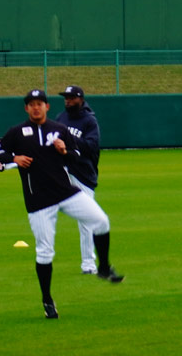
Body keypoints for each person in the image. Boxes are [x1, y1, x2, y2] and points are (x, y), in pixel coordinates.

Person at [0, 89, 123, 320]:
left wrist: (64, 150)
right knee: (45, 252)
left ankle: (103, 267)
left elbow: (75, 154)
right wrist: (14, 158)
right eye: (31, 104)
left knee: (101, 221)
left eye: (40, 103)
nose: (36, 107)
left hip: (66, 192)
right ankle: (47, 300)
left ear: (47, 107)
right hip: (39, 200)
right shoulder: (17, 132)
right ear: (26, 108)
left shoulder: (59, 129)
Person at [54, 85, 101, 275]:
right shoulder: (61, 118)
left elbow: (91, 146)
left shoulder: (89, 121)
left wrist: (69, 142)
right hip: (64, 170)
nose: (68, 100)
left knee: (86, 220)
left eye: (71, 98)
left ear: (80, 99)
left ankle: (88, 264)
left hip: (83, 173)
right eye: (66, 97)